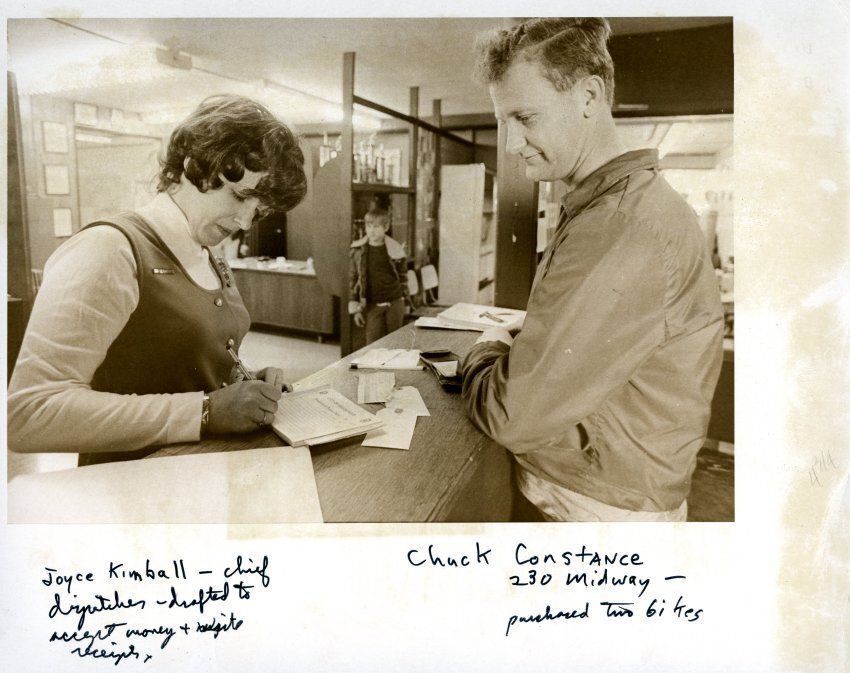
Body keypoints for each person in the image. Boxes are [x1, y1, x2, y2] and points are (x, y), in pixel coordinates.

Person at [461, 18, 724, 522]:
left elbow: (512, 416)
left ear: (588, 96)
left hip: (594, 508)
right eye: (504, 121)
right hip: (612, 492)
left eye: (525, 117)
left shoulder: (619, 223)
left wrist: (485, 348)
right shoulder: (621, 204)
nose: (512, 143)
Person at [7, 95, 307, 465]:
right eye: (239, 196)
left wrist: (241, 383)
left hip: (202, 471)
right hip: (131, 486)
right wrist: (205, 411)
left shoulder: (207, 251)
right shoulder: (109, 249)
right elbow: (30, 413)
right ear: (194, 166)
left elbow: (179, 365)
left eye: (258, 210)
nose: (245, 222)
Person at [348, 206, 409, 344]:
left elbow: (403, 278)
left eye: (376, 227)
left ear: (386, 227)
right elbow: (353, 280)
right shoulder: (358, 250)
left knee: (395, 344)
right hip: (373, 305)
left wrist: (405, 301)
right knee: (372, 344)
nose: (371, 230)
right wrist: (356, 309)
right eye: (368, 226)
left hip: (395, 303)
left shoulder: (395, 250)